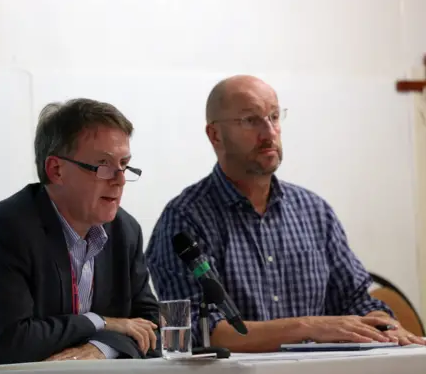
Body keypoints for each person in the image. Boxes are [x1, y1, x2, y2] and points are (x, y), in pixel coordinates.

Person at [145, 75, 426, 353]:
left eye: (275, 117)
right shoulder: (184, 219)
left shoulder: (314, 211)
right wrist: (307, 327)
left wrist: (382, 322)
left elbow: (355, 299)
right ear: (215, 134)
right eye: (250, 120)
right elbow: (195, 330)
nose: (269, 133)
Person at [0, 98, 160, 373]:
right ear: (56, 170)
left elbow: (152, 327)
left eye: (124, 164)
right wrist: (101, 321)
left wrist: (102, 348)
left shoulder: (125, 231)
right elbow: (11, 343)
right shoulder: (7, 227)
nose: (119, 179)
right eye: (103, 165)